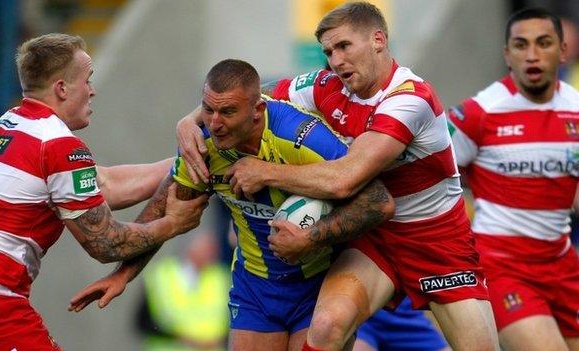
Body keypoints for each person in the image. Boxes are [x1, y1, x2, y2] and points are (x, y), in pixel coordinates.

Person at [177, 3, 498, 351]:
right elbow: (251, 98)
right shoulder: (325, 86)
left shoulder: (409, 99)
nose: (336, 60)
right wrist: (190, 120)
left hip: (435, 239)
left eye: (344, 46)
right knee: (328, 325)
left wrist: (266, 171)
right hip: (374, 237)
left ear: (378, 39)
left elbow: (345, 179)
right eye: (329, 51)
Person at [70, 58, 395, 351]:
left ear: (258, 111)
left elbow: (378, 202)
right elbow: (165, 209)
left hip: (318, 284)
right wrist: (123, 274)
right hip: (255, 287)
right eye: (208, 110)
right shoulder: (202, 146)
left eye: (227, 112)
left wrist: (311, 237)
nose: (214, 123)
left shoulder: (301, 137)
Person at [0, 33, 209, 351]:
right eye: (87, 80)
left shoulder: (11, 126)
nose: (93, 90)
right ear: (62, 88)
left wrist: (188, 160)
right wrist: (173, 224)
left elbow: (104, 185)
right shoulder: (58, 144)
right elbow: (106, 243)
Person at [447, 8, 579, 351]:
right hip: (503, 268)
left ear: (563, 51)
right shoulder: (479, 112)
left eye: (543, 43)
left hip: (563, 262)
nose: (532, 55)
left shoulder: (576, 109)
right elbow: (427, 173)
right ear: (507, 54)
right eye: (521, 45)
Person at [137, 230, 230, 351]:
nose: (211, 254)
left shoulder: (221, 277)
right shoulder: (161, 275)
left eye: (212, 250)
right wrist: (180, 338)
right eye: (206, 249)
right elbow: (143, 322)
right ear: (190, 249)